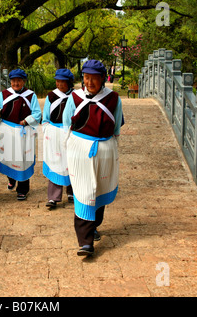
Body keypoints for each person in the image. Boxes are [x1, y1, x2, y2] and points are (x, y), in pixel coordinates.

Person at [62, 60, 123, 256]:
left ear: (103, 79)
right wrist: (70, 146)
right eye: (86, 78)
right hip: (80, 150)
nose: (89, 82)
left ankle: (94, 225)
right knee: (83, 191)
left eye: (94, 78)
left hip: (104, 149)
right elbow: (66, 123)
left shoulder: (113, 99)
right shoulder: (74, 97)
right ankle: (85, 242)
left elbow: (116, 127)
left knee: (99, 190)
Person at [0, 69, 41, 201]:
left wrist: (26, 121)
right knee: (7, 157)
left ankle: (22, 189)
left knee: (23, 160)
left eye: (19, 80)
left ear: (24, 81)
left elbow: (37, 114)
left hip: (23, 131)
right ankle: (11, 178)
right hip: (7, 130)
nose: (16, 83)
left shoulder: (30, 96)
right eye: (13, 81)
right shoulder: (4, 94)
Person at [42, 68, 74, 210]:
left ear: (69, 83)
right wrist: (47, 128)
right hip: (54, 133)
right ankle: (53, 197)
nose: (59, 84)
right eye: (57, 81)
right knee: (55, 162)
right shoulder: (51, 96)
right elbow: (45, 117)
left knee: (71, 162)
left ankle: (72, 192)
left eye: (62, 81)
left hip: (70, 133)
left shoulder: (76, 96)